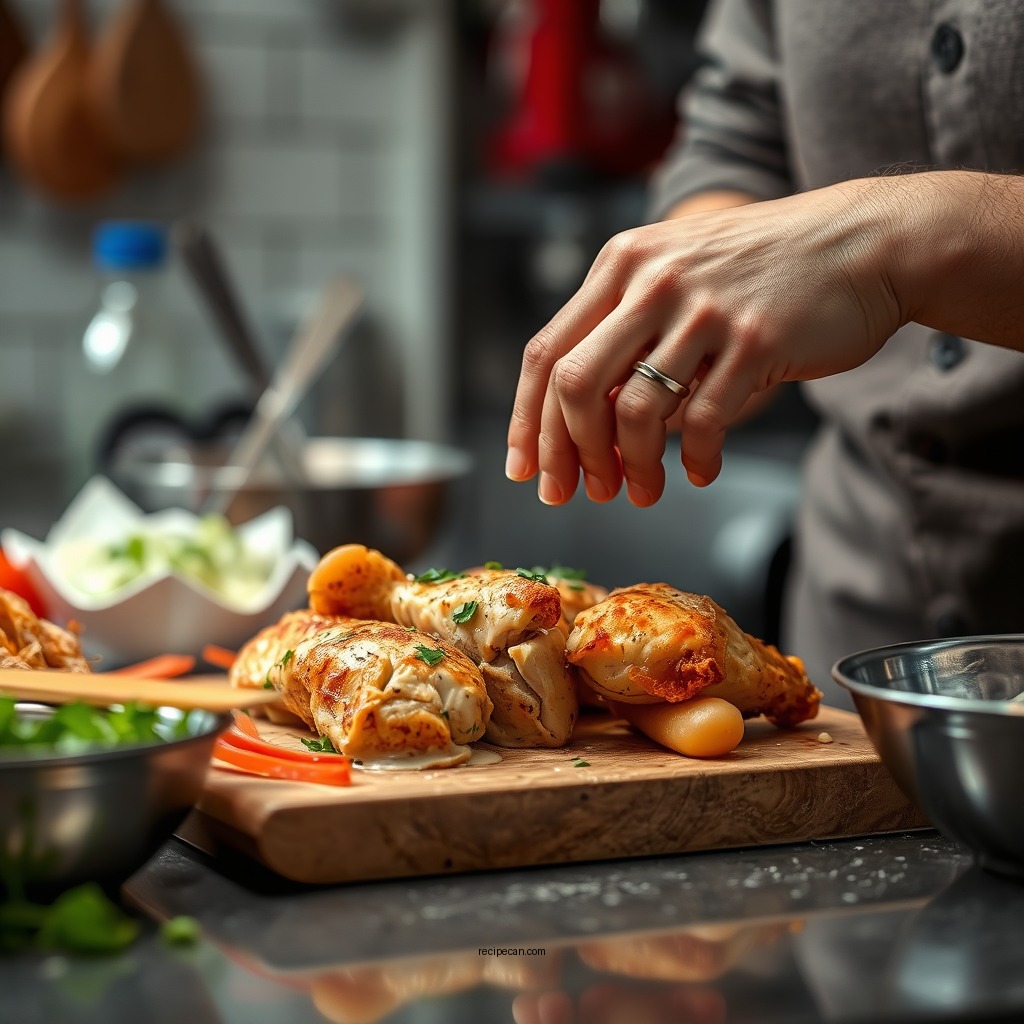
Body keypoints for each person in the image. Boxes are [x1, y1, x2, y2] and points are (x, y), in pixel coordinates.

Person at [503, 0, 1024, 706]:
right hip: (859, 663)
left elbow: (873, 241)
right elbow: (738, 133)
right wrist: (705, 304)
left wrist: (899, 247)